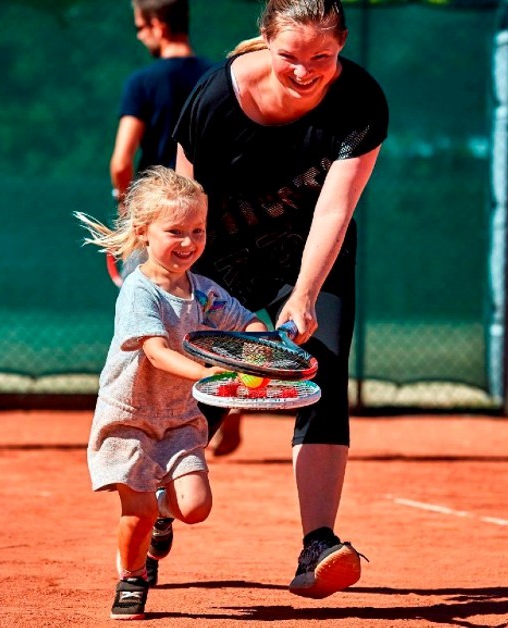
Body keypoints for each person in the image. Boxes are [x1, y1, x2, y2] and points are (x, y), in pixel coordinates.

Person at [173, 0, 387, 599]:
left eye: (322, 56)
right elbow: (181, 197)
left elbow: (335, 206)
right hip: (220, 257)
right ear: (266, 42)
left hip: (313, 255)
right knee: (205, 383)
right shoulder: (216, 97)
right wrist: (175, 277)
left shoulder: (362, 101)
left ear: (342, 44)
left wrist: (307, 293)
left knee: (325, 371)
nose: (304, 69)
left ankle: (317, 542)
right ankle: (159, 507)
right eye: (290, 55)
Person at [76, 167, 267, 620]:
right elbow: (157, 352)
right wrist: (212, 371)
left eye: (197, 231)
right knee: (136, 513)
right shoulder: (139, 293)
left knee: (196, 508)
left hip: (180, 419)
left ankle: (167, 512)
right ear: (143, 233)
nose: (188, 242)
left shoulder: (205, 293)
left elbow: (248, 324)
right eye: (175, 231)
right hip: (129, 420)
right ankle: (132, 578)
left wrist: (260, 350)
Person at [107, 0, 215, 287]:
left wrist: (125, 205)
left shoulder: (142, 82)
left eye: (140, 27)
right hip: (207, 218)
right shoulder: (219, 78)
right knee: (210, 317)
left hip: (157, 216)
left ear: (158, 26)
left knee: (145, 313)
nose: (140, 36)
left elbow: (121, 161)